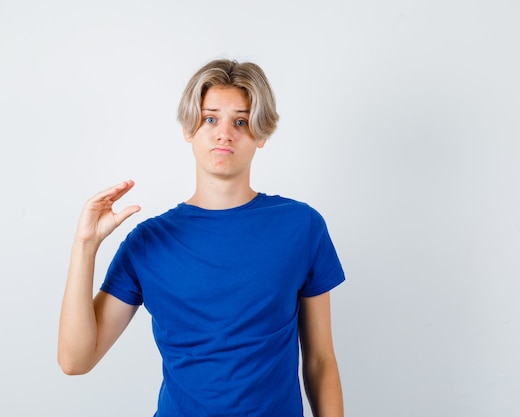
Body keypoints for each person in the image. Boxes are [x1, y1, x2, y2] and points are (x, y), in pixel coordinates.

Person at [58, 59, 345, 417]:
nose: (224, 133)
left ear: (261, 133)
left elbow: (319, 360)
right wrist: (85, 246)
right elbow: (75, 360)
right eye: (210, 118)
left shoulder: (301, 226)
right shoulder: (149, 241)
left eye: (240, 121)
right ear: (189, 128)